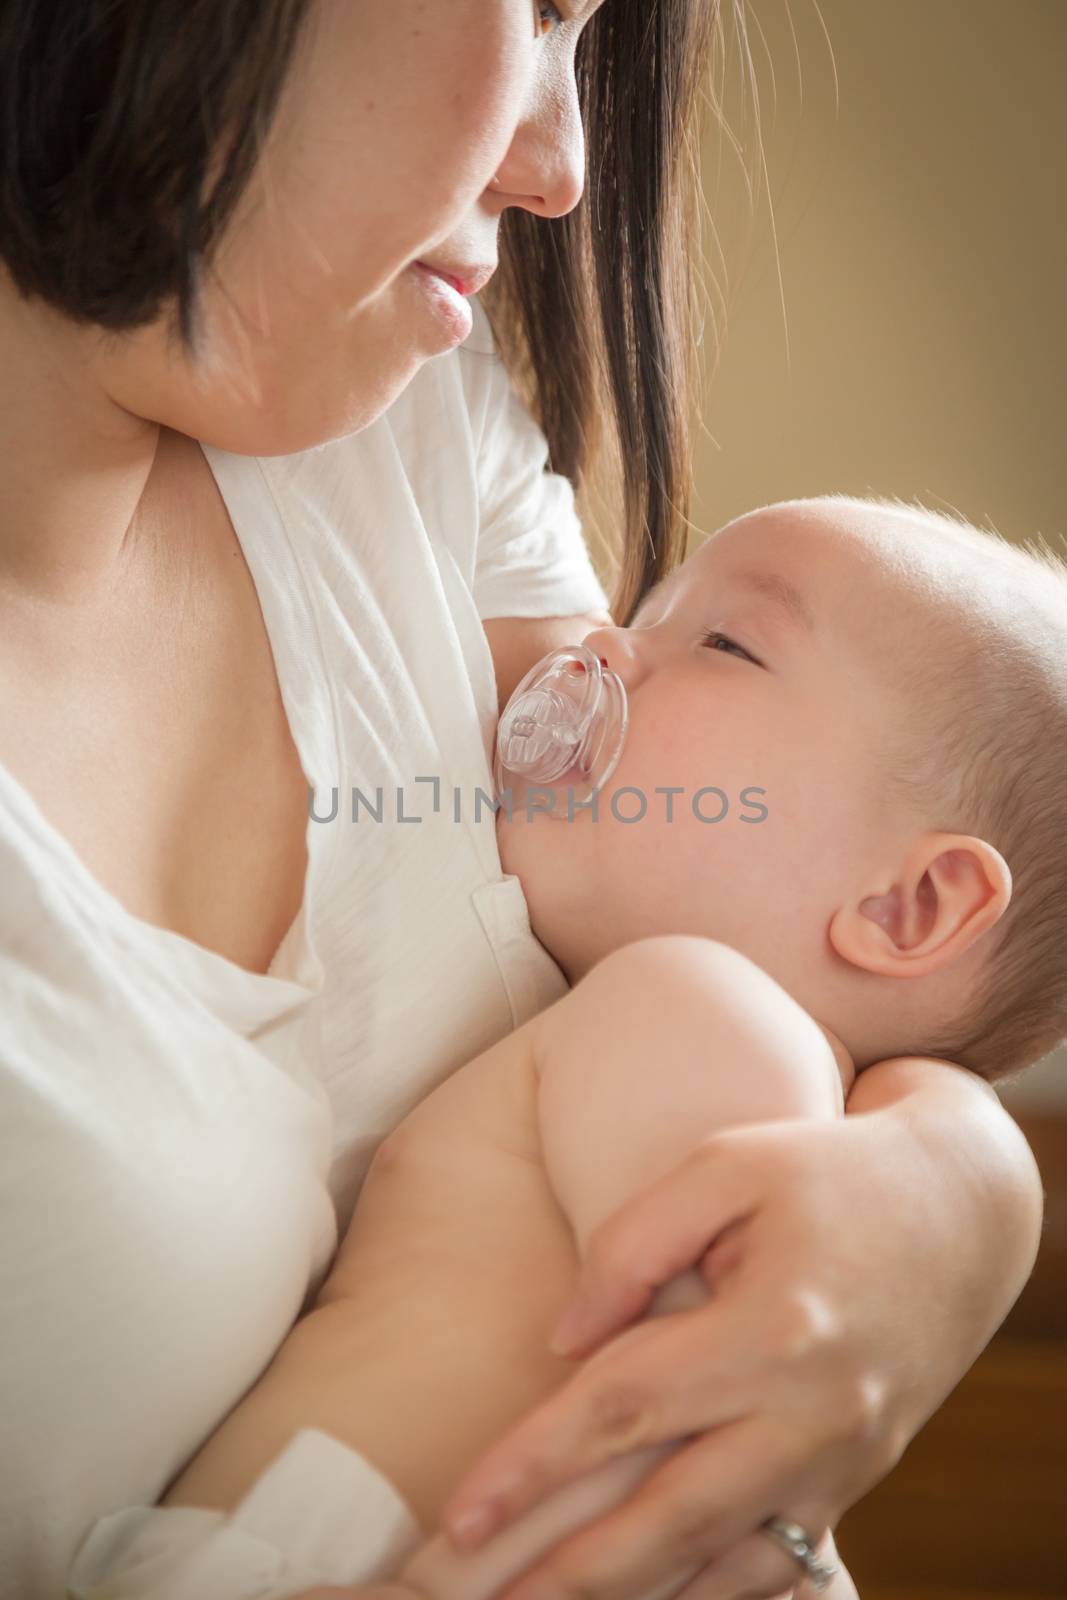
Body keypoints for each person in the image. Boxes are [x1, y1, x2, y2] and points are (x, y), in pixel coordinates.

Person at [0, 1, 1044, 1597]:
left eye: (726, 642)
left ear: (911, 907)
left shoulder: (409, 405)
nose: (564, 170)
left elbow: (716, 1348)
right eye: (538, 9)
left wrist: (961, 1185)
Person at [66, 494, 1065, 1599]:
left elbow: (688, 1385)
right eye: (645, 610)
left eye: (724, 642)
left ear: (908, 906)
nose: (598, 645)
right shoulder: (679, 1039)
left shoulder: (705, 1008)